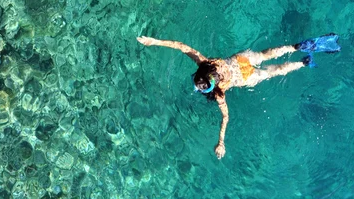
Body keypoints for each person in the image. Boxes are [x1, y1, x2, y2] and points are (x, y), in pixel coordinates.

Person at [136, 34, 340, 159]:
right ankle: (296, 47)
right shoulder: (206, 62)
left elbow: (226, 117)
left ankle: (303, 62)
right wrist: (155, 41)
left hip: (245, 77)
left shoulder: (220, 94)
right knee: (266, 54)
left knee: (273, 71)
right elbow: (183, 46)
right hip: (241, 59)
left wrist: (221, 142)